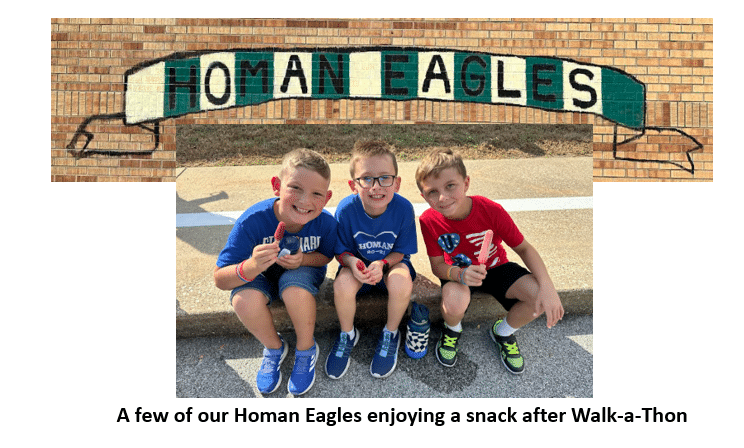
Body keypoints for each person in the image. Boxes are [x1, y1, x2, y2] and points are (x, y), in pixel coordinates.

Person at [415, 148, 564, 373]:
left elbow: (524, 248)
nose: (443, 198)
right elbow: (438, 266)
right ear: (423, 197)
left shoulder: (490, 210)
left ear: (466, 183)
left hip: (496, 267)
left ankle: (502, 332)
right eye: (432, 192)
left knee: (538, 298)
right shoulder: (428, 220)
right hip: (458, 272)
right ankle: (452, 330)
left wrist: (548, 287)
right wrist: (460, 274)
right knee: (453, 303)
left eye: (450, 186)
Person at [213, 148, 337, 395]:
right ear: (276, 185)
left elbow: (327, 255)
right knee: (242, 299)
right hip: (261, 278)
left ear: (327, 198)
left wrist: (303, 260)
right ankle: (274, 347)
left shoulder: (325, 223)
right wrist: (251, 266)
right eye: (295, 188)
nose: (304, 201)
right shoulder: (253, 221)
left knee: (294, 289)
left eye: (316, 194)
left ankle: (306, 348)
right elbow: (220, 278)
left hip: (302, 275)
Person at [326, 141, 418, 379]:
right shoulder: (346, 209)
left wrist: (383, 264)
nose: (376, 186)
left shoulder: (404, 208)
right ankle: (348, 334)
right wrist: (351, 263)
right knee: (342, 285)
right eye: (366, 179)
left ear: (397, 183)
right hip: (357, 268)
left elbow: (401, 251)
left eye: (385, 178)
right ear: (353, 185)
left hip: (390, 264)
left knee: (401, 281)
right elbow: (341, 251)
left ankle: (391, 332)